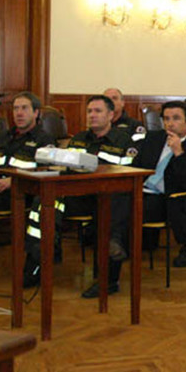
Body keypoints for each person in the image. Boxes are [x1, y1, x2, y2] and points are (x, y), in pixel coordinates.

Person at [22, 96, 137, 292]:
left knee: (113, 206)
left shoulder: (124, 141)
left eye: (98, 111)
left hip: (106, 195)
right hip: (77, 194)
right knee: (45, 199)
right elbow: (67, 168)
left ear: (111, 115)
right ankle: (39, 259)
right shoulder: (79, 139)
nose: (92, 115)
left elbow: (126, 174)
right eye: (89, 111)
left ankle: (107, 280)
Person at [132, 101, 186, 271]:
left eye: (176, 118)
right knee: (114, 200)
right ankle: (113, 242)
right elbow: (136, 167)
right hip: (142, 191)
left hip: (167, 197)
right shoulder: (153, 138)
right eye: (166, 119)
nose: (169, 123)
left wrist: (178, 153)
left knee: (173, 202)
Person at [0, 92, 55, 214]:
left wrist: (12, 181)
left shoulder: (44, 140)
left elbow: (47, 172)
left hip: (19, 191)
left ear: (36, 113)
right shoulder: (5, 137)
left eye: (24, 108)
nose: (19, 113)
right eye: (15, 109)